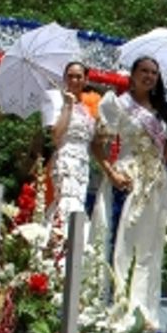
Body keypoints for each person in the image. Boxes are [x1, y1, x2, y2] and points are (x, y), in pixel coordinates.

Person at [96, 56, 167, 325]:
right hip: (128, 178)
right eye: (143, 71)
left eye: (154, 72)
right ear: (132, 75)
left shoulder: (161, 112)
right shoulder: (118, 104)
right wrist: (111, 173)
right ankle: (118, 308)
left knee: (149, 248)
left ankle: (143, 311)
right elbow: (97, 146)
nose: (149, 76)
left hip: (154, 183)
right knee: (123, 242)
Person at [41, 61, 102, 224]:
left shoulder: (89, 105)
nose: (74, 80)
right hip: (65, 159)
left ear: (85, 80)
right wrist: (68, 105)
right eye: (70, 76)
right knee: (66, 201)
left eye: (78, 77)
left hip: (83, 162)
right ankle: (59, 240)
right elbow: (56, 136)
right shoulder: (55, 99)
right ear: (64, 78)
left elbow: (94, 138)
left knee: (79, 202)